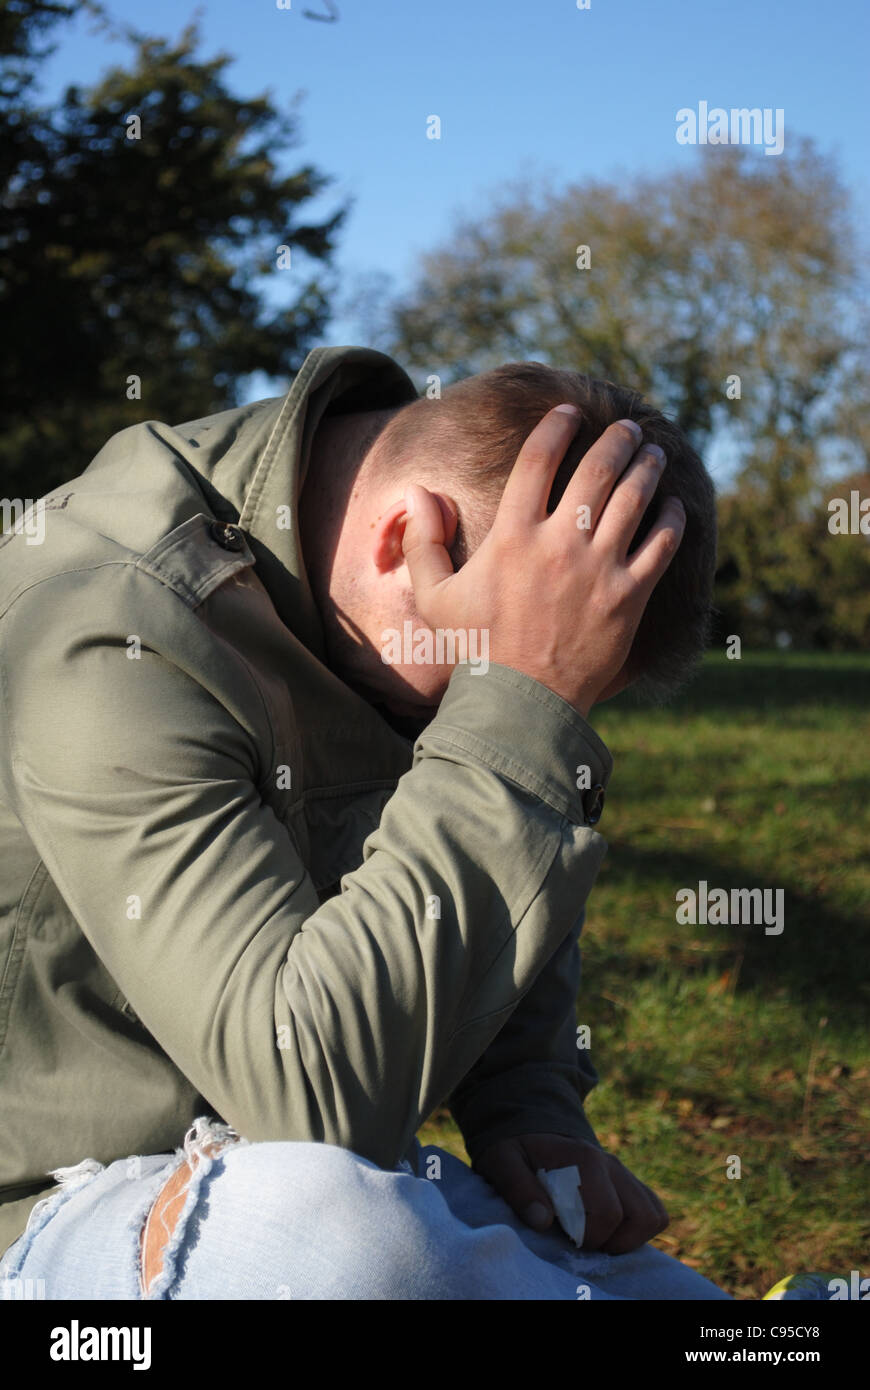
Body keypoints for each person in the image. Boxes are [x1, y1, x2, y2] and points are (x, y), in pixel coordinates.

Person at [0, 346, 727, 1300]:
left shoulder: (378, 609)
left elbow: (480, 846)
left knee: (679, 1303)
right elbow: (307, 1104)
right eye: (478, 682)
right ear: (403, 542)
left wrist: (526, 1104)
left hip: (303, 1173)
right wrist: (514, 702)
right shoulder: (112, 623)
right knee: (332, 1254)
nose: (469, 712)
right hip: (47, 1205)